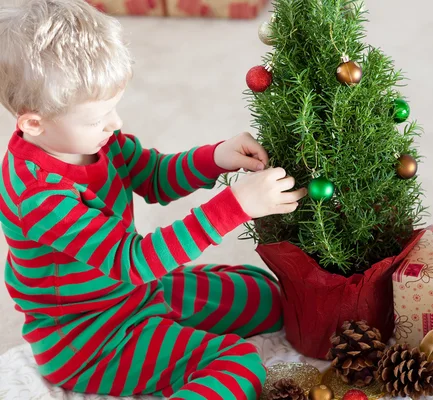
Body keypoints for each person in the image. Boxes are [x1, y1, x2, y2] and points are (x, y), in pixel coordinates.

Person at [0, 0, 307, 398]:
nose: (116, 123)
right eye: (98, 117)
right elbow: (132, 261)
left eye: (114, 108)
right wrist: (236, 206)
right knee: (238, 363)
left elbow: (154, 176)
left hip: (135, 294)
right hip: (89, 341)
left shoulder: (98, 142)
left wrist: (215, 157)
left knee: (265, 298)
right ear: (33, 123)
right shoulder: (39, 195)